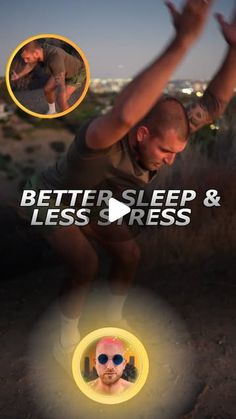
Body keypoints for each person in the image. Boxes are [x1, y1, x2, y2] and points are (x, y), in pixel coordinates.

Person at [23, 0, 236, 362]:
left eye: (176, 152)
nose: (172, 159)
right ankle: (65, 338)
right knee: (85, 263)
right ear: (140, 134)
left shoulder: (171, 129)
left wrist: (234, 51)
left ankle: (112, 319)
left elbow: (214, 102)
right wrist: (182, 42)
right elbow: (123, 113)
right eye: (166, 150)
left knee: (129, 254)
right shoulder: (100, 140)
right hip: (53, 199)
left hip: (96, 202)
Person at [11, 40, 85, 114]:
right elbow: (30, 65)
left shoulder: (54, 58)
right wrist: (18, 75)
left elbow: (61, 87)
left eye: (27, 58)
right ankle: (52, 111)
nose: (25, 61)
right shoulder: (40, 50)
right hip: (60, 69)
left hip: (76, 72)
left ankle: (67, 116)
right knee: (47, 89)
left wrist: (61, 99)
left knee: (61, 100)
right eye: (24, 58)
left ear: (36, 53)